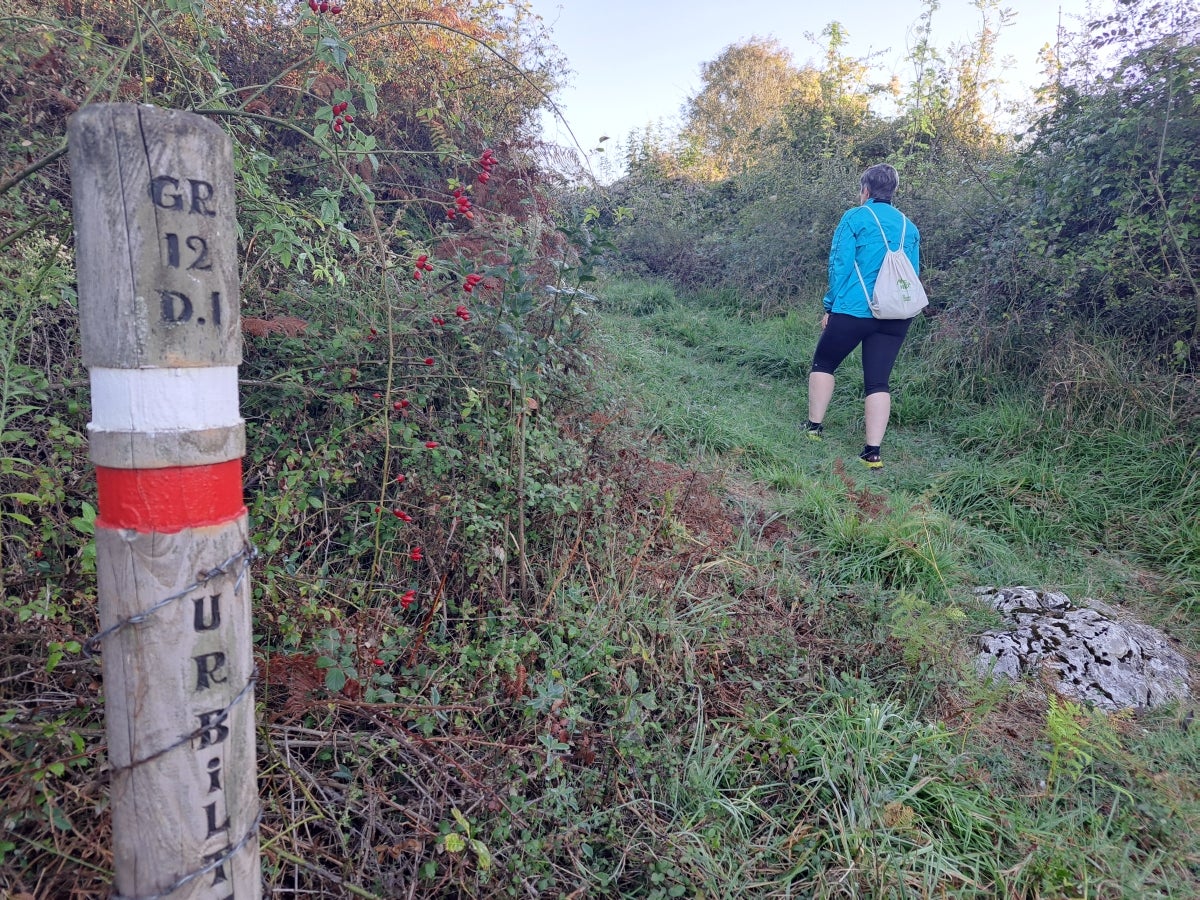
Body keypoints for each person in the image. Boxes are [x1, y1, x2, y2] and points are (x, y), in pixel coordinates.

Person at [804, 163, 920, 470]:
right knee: (878, 381)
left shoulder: (855, 217)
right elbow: (913, 274)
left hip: (855, 308)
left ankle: (814, 428)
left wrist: (829, 305)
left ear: (865, 190)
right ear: (893, 191)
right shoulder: (910, 226)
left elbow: (839, 265)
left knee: (824, 363)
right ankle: (872, 453)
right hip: (896, 314)